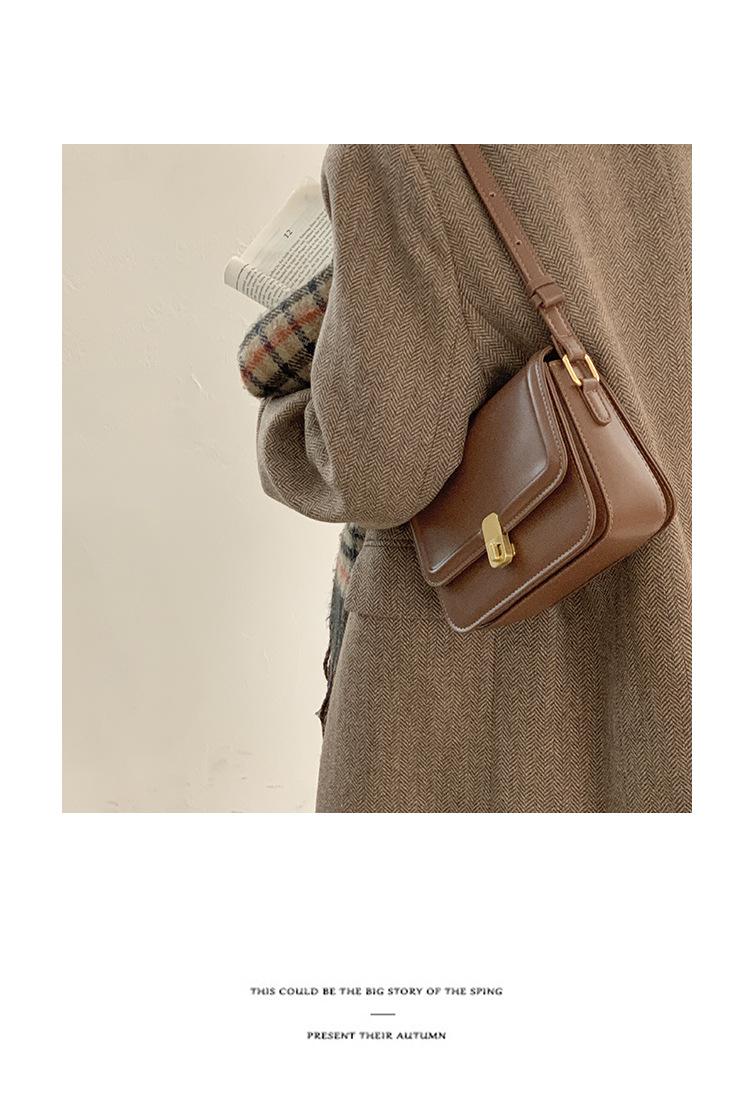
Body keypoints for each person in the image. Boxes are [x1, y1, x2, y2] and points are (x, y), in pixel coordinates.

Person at [251, 144, 691, 814]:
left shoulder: (397, 150)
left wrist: (282, 417)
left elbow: (376, 471)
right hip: (669, 622)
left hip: (500, 684)